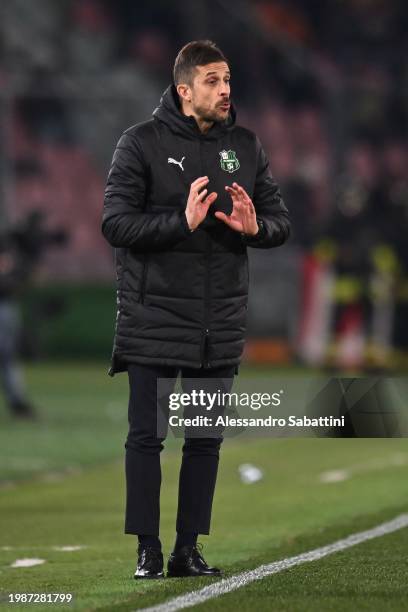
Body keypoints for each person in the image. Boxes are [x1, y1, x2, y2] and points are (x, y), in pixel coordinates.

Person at [102, 40, 290, 580]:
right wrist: (178, 223)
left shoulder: (247, 146)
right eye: (211, 80)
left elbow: (279, 221)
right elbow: (114, 224)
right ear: (184, 91)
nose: (225, 88)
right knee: (147, 437)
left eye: (227, 78)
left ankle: (187, 549)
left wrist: (258, 229)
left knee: (204, 441)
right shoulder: (139, 143)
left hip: (218, 320)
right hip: (152, 316)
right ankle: (147, 549)